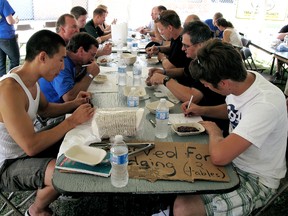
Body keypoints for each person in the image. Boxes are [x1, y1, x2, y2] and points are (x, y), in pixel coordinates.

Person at [173, 39, 287, 216]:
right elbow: (233, 110)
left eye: (207, 84)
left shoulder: (265, 104)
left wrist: (215, 132)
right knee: (178, 168)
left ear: (224, 83)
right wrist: (201, 110)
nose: (205, 86)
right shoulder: (242, 78)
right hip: (234, 159)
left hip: (255, 177)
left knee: (184, 208)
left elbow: (219, 157)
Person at [0, 29, 94, 216]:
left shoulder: (30, 79)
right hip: (7, 164)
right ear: (42, 57)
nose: (62, 67)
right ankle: (36, 210)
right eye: (60, 60)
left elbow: (46, 109)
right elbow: (31, 147)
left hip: (26, 148)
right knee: (69, 171)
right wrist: (72, 121)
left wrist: (75, 104)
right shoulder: (9, 90)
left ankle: (51, 187)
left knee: (79, 138)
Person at [146, 21, 229, 135]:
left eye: (186, 45)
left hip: (210, 126)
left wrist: (165, 80)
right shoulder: (196, 59)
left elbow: (192, 97)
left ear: (200, 44)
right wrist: (164, 72)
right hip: (199, 114)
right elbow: (185, 71)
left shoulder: (210, 64)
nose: (182, 49)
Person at [39, 32, 100, 103]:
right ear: (81, 51)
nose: (93, 59)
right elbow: (69, 98)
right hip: (56, 109)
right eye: (92, 55)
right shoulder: (62, 63)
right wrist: (90, 75)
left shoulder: (74, 61)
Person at [0, 0, 20, 76]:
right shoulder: (3, 2)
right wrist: (16, 20)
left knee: (1, 63)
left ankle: (2, 84)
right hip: (6, 36)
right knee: (14, 60)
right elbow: (10, 21)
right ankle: (12, 81)